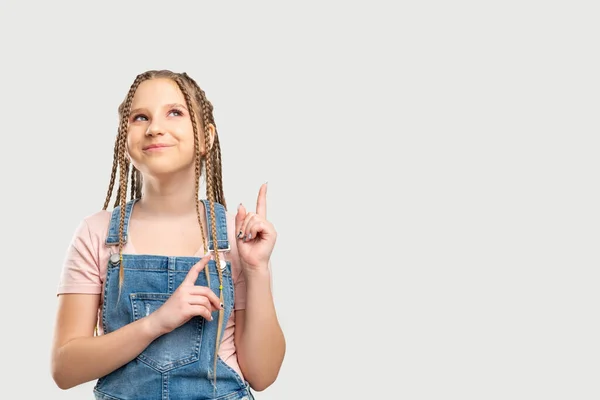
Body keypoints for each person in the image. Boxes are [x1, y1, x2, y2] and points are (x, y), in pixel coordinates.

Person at [51, 70, 286, 400]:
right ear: (124, 138)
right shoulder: (97, 233)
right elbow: (64, 367)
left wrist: (257, 269)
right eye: (140, 117)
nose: (154, 128)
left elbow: (262, 374)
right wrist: (155, 323)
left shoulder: (238, 237)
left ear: (206, 138)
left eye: (174, 112)